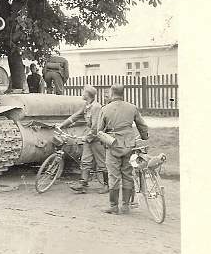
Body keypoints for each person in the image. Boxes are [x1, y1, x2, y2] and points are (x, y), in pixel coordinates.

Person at [97, 84, 149, 214]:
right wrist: (144, 136)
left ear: (112, 93)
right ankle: (125, 206)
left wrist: (105, 141)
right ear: (122, 93)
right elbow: (142, 125)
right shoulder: (132, 108)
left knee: (113, 176)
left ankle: (113, 206)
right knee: (127, 174)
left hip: (112, 145)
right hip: (129, 145)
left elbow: (99, 131)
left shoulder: (105, 109)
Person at [57, 85, 108, 194]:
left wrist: (86, 137)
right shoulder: (86, 105)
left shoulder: (96, 107)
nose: (82, 93)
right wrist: (62, 125)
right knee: (85, 161)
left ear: (88, 95)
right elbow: (75, 116)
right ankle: (83, 184)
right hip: (89, 138)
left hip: (97, 139)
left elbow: (96, 127)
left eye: (83, 92)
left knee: (101, 162)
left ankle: (107, 185)